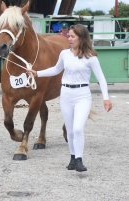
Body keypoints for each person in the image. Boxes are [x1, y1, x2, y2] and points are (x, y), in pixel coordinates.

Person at [27, 24, 112, 172]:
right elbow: (56, 69)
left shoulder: (91, 57)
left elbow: (101, 79)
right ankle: (72, 158)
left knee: (78, 128)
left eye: (72, 36)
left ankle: (79, 159)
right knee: (71, 131)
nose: (69, 39)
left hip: (82, 95)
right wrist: (37, 73)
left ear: (81, 38)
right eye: (69, 36)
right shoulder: (64, 54)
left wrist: (106, 98)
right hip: (66, 94)